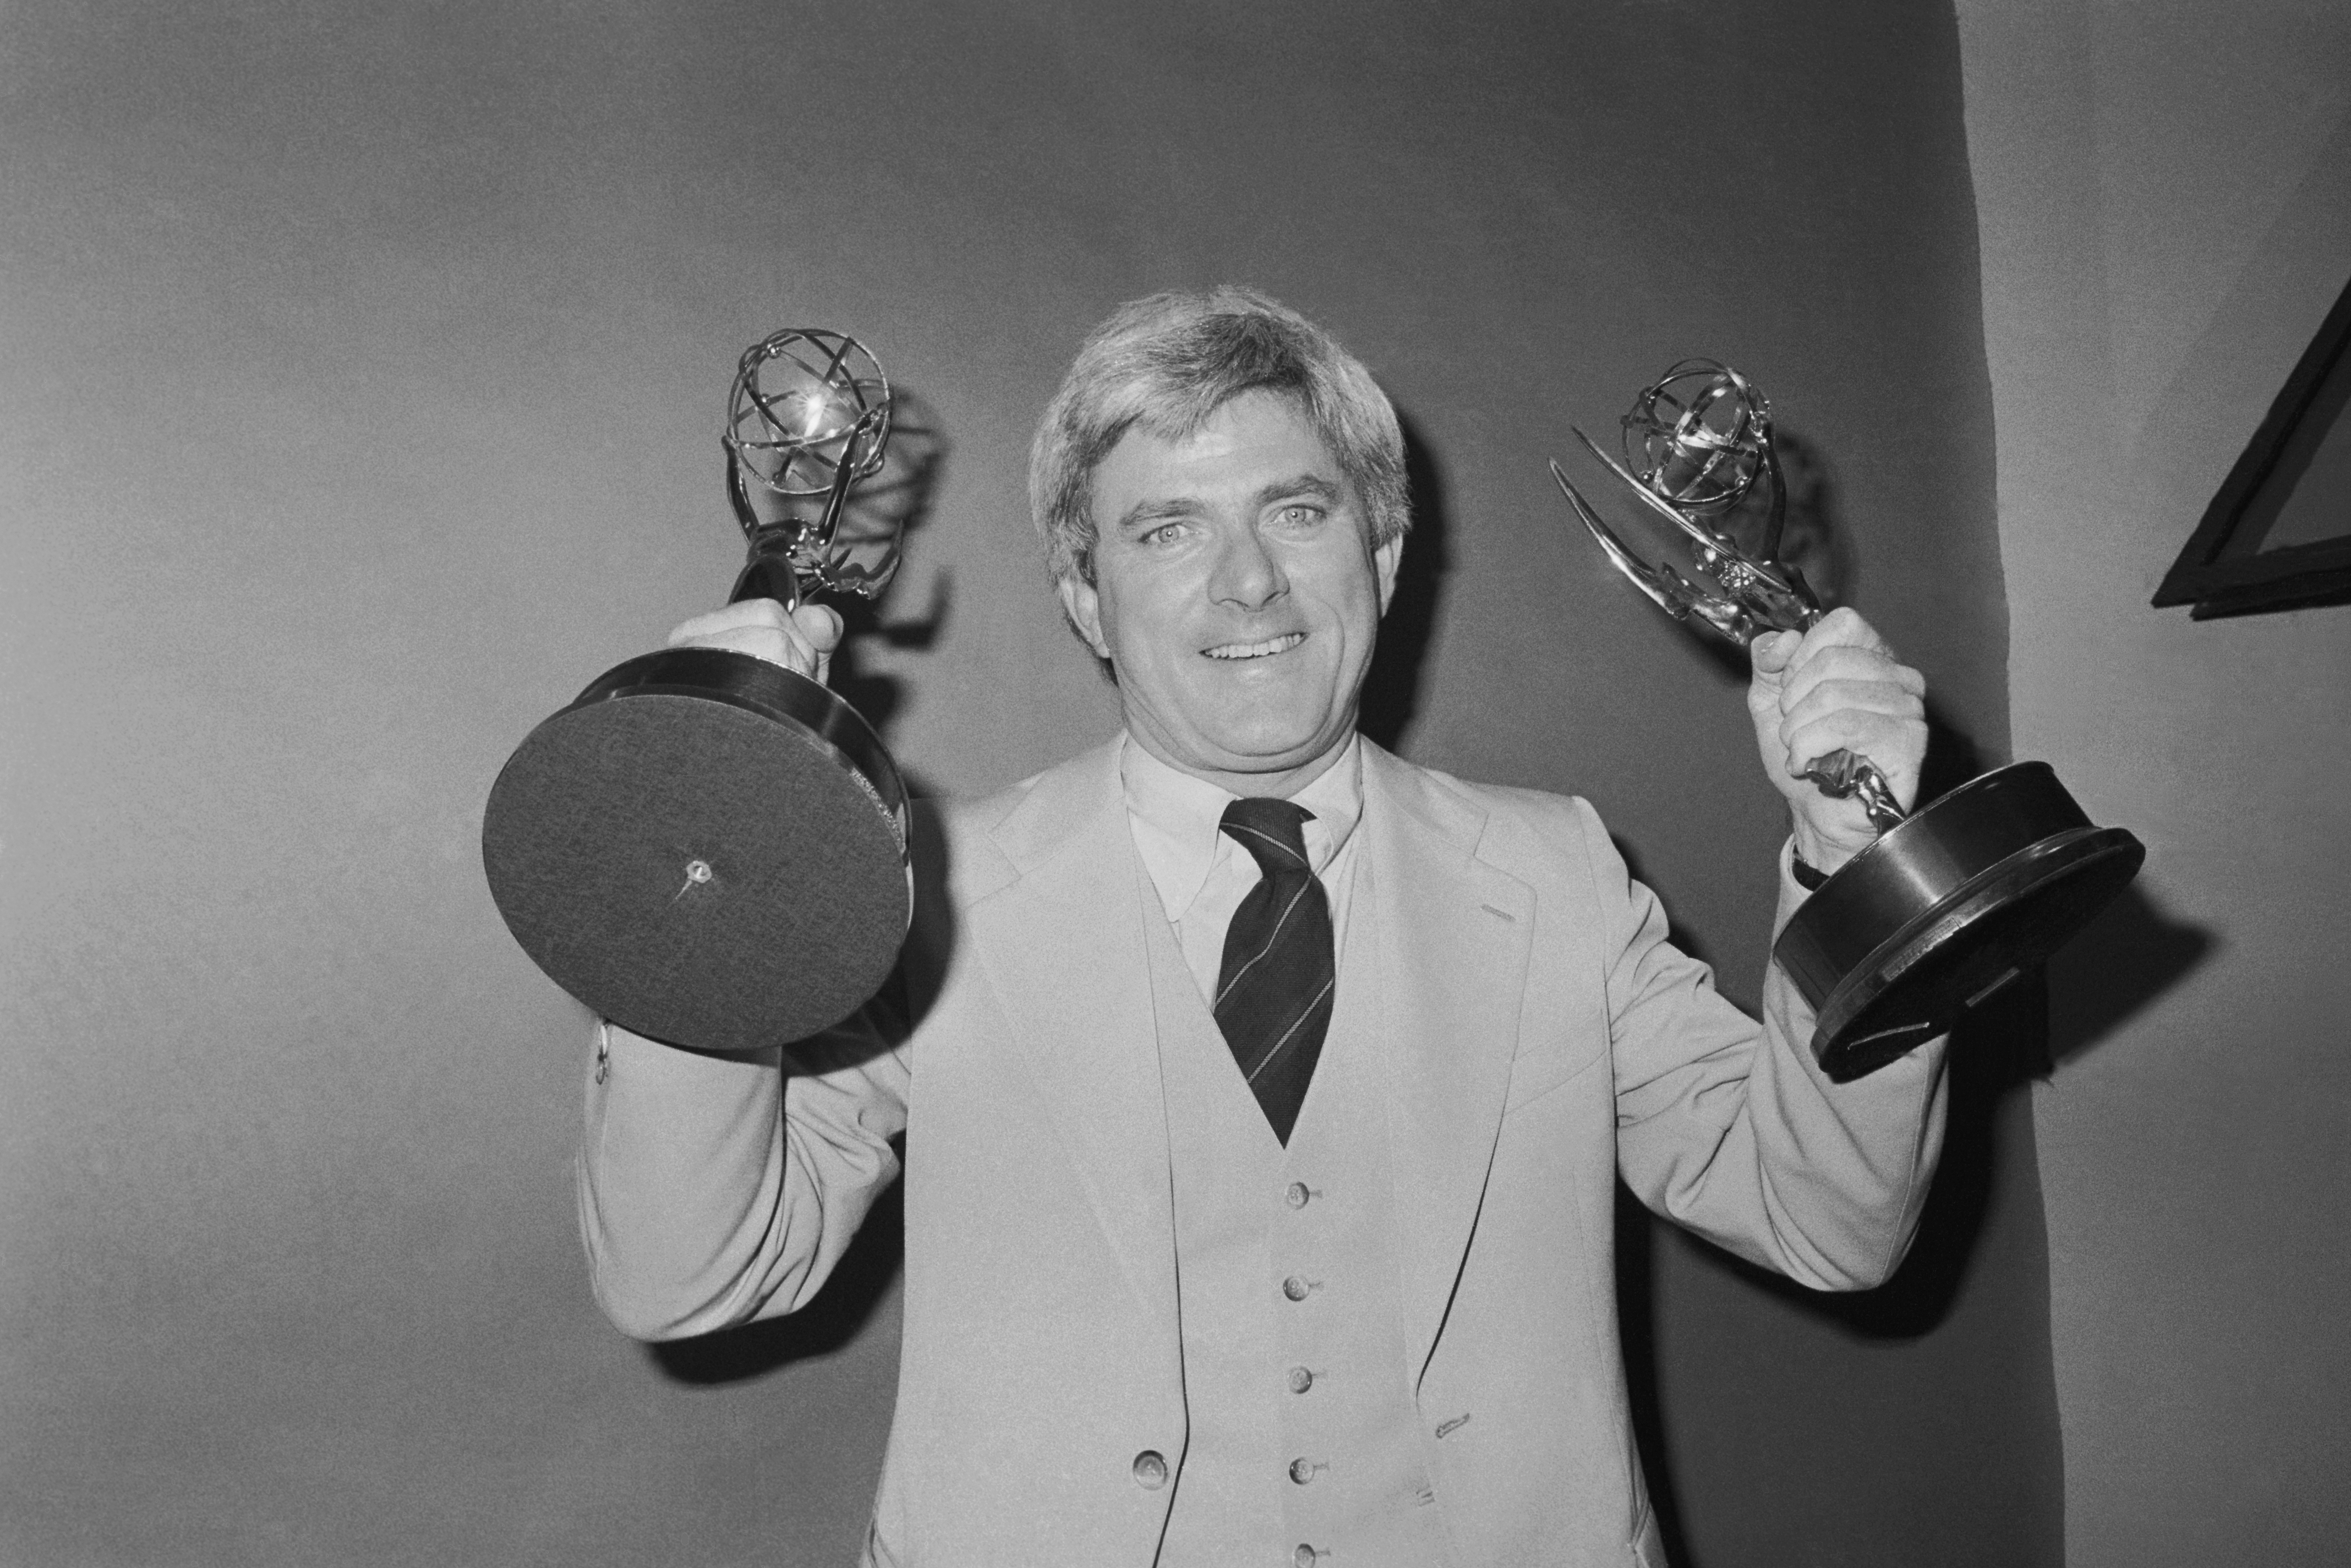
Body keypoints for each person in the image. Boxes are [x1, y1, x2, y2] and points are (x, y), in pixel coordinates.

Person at [578, 287, 1944, 1568]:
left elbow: (1824, 1223)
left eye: (1296, 514)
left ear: (1384, 557)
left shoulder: (1559, 873)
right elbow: (690, 1275)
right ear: (1082, 598)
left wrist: (1856, 858)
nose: (1247, 585)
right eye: (1165, 529)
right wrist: (713, 835)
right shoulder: (925, 895)